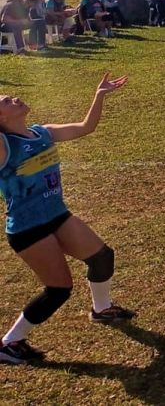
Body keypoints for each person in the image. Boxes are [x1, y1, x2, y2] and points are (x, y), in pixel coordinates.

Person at [0, 73, 137, 365]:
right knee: (59, 289)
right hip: (28, 228)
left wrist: (99, 95)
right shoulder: (3, 145)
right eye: (6, 101)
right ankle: (10, 342)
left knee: (102, 257)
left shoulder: (43, 132)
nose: (14, 97)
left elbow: (86, 127)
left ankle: (102, 309)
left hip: (56, 215)